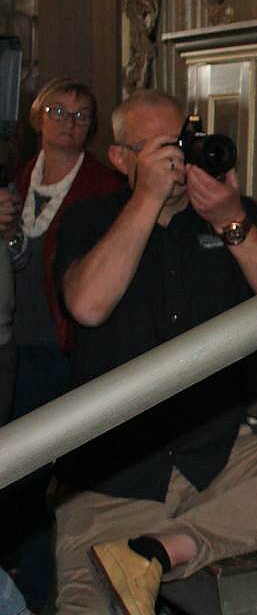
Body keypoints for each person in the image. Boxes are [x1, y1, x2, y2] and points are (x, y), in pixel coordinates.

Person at [53, 89, 257, 615]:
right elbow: (87, 306)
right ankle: (142, 551)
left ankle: (163, 550)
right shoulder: (91, 217)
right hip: (111, 481)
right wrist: (146, 200)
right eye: (158, 150)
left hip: (213, 461)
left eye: (182, 144)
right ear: (122, 158)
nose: (176, 161)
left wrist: (231, 221)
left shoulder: (233, 218)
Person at [0, 78, 124, 610]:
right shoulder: (17, 177)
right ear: (37, 117)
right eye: (57, 110)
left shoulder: (103, 185)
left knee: (35, 474)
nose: (67, 123)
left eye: (80, 114)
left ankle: (35, 594)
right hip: (10, 344)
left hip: (61, 344)